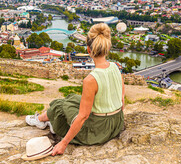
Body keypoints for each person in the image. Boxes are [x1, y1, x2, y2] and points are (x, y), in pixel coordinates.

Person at [25, 23, 125, 156]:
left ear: (89, 50)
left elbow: (83, 117)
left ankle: (41, 120)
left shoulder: (91, 79)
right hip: (116, 123)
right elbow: (122, 100)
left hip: (99, 131)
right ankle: (42, 120)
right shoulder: (115, 67)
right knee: (71, 98)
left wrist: (64, 143)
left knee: (60, 106)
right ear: (108, 47)